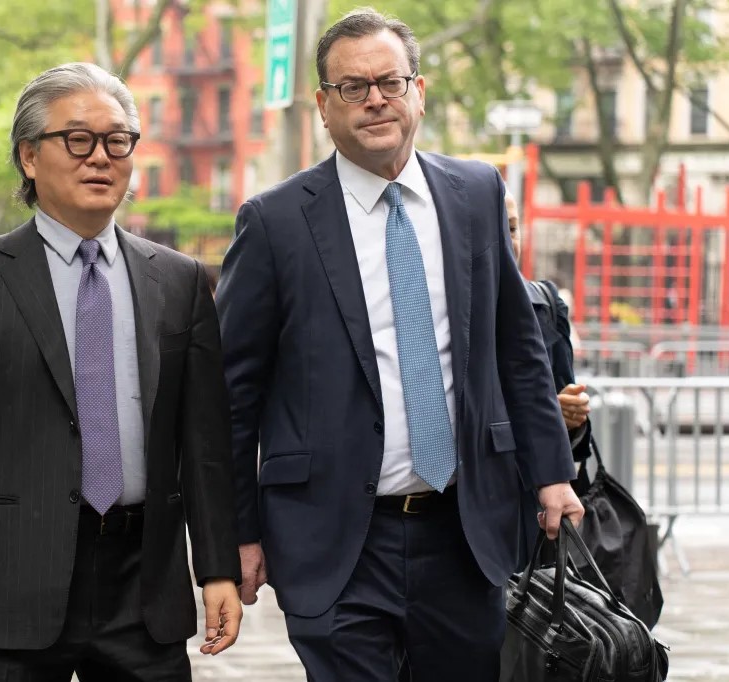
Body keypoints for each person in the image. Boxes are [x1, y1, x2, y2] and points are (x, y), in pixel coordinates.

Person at [215, 9, 584, 681]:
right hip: (333, 538)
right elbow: (233, 398)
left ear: (420, 90)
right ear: (324, 107)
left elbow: (517, 349)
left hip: (465, 531)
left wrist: (552, 474)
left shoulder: (474, 194)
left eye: (389, 80)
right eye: (352, 87)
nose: (375, 98)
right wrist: (237, 534)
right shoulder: (274, 223)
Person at [0, 62, 243, 682]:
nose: (100, 157)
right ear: (28, 156)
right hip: (15, 582)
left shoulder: (179, 281)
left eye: (118, 140)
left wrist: (216, 568)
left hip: (143, 586)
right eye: (77, 139)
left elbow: (204, 444)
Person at [505, 191, 592, 567]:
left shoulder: (546, 306)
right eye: (496, 227)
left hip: (532, 515)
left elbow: (573, 446)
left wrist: (571, 417)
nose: (508, 238)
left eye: (512, 227)